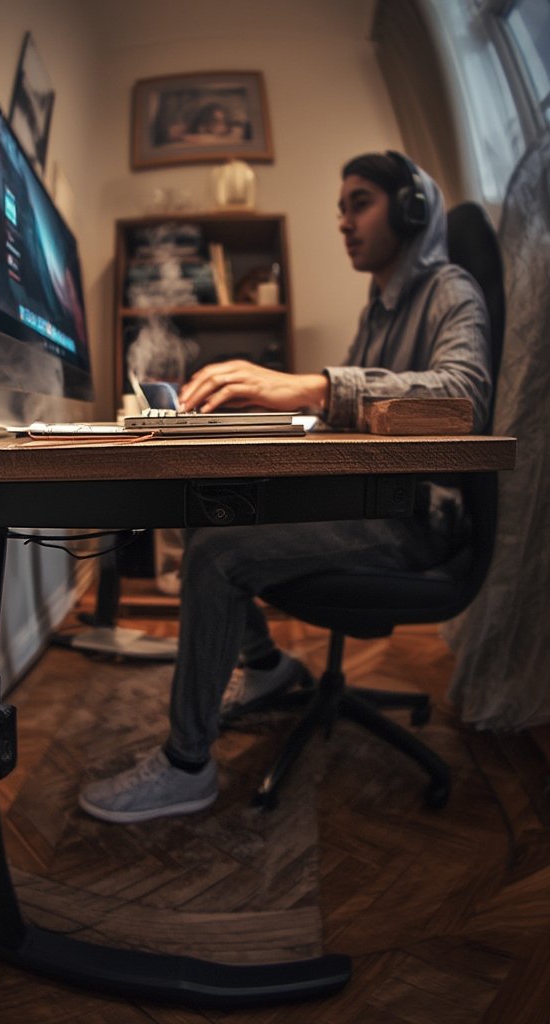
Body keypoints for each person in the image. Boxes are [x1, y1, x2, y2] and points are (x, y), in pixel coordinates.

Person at [79, 151, 492, 824]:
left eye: (359, 203)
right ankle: (267, 664)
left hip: (421, 516)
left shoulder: (451, 290)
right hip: (375, 495)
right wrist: (264, 417)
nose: (343, 221)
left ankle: (188, 765)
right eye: (341, 207)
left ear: (412, 209)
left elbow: (467, 398)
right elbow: (357, 417)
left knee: (216, 554)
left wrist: (313, 386)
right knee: (204, 502)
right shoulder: (381, 309)